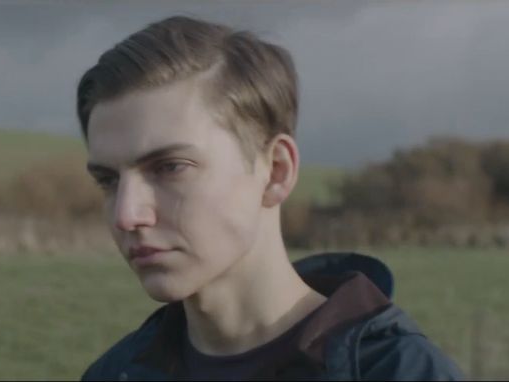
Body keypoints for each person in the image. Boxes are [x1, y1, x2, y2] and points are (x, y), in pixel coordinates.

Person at [76, 16, 463, 381]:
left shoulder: (400, 373)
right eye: (109, 181)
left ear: (276, 170)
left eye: (170, 167)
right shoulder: (114, 374)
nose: (127, 215)